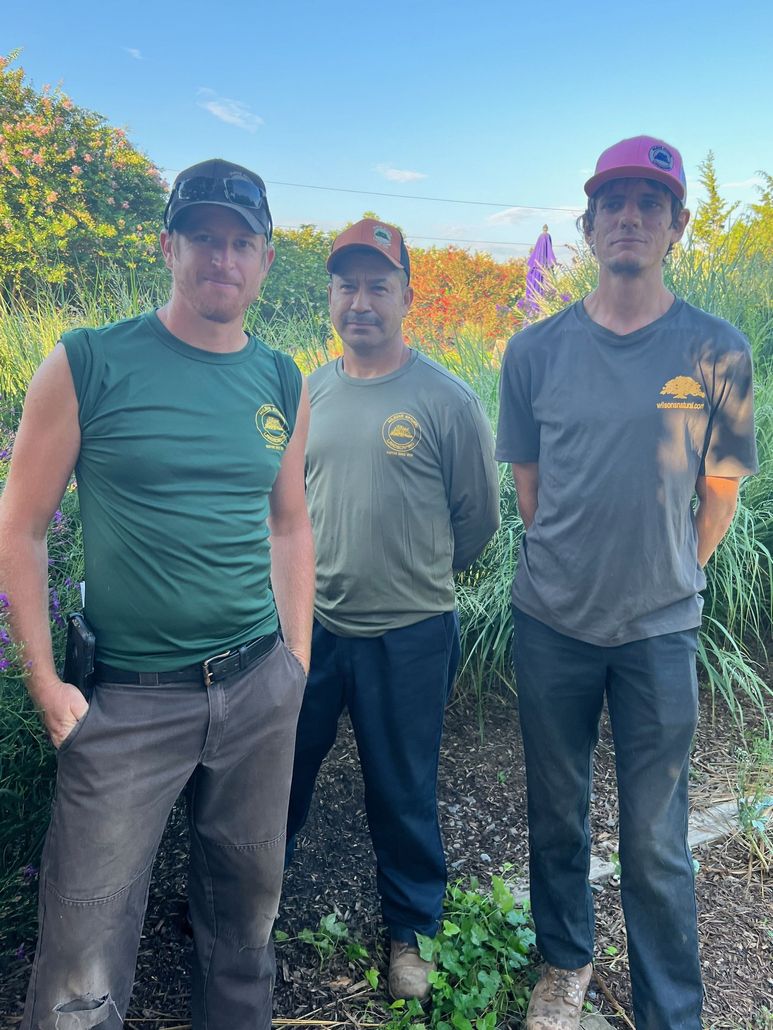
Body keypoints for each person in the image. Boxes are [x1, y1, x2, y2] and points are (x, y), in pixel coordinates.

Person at [0, 158, 314, 1030]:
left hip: (257, 688)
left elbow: (290, 524)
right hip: (128, 703)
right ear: (168, 246)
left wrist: (296, 661)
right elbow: (20, 527)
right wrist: (44, 686)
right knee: (80, 961)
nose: (224, 258)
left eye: (242, 241)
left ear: (264, 258)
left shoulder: (282, 379)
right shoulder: (88, 361)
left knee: (247, 924)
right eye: (205, 238)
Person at [496, 135, 758, 1030]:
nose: (629, 217)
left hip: (658, 631)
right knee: (556, 812)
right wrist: (578, 568)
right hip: (552, 624)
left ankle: (668, 1012)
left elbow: (719, 487)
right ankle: (564, 964)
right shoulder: (532, 352)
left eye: (650, 202)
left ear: (676, 224)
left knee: (655, 843)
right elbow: (531, 492)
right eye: (613, 201)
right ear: (587, 222)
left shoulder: (717, 350)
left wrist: (670, 570)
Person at [285, 218, 500, 1001]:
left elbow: (476, 522)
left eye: (378, 285)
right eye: (346, 284)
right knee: (278, 778)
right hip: (310, 628)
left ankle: (410, 929)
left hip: (410, 632)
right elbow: (283, 511)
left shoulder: (446, 400)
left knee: (401, 787)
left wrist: (411, 577)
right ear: (330, 298)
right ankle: (243, 904)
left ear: (407, 295)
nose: (361, 301)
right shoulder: (305, 392)